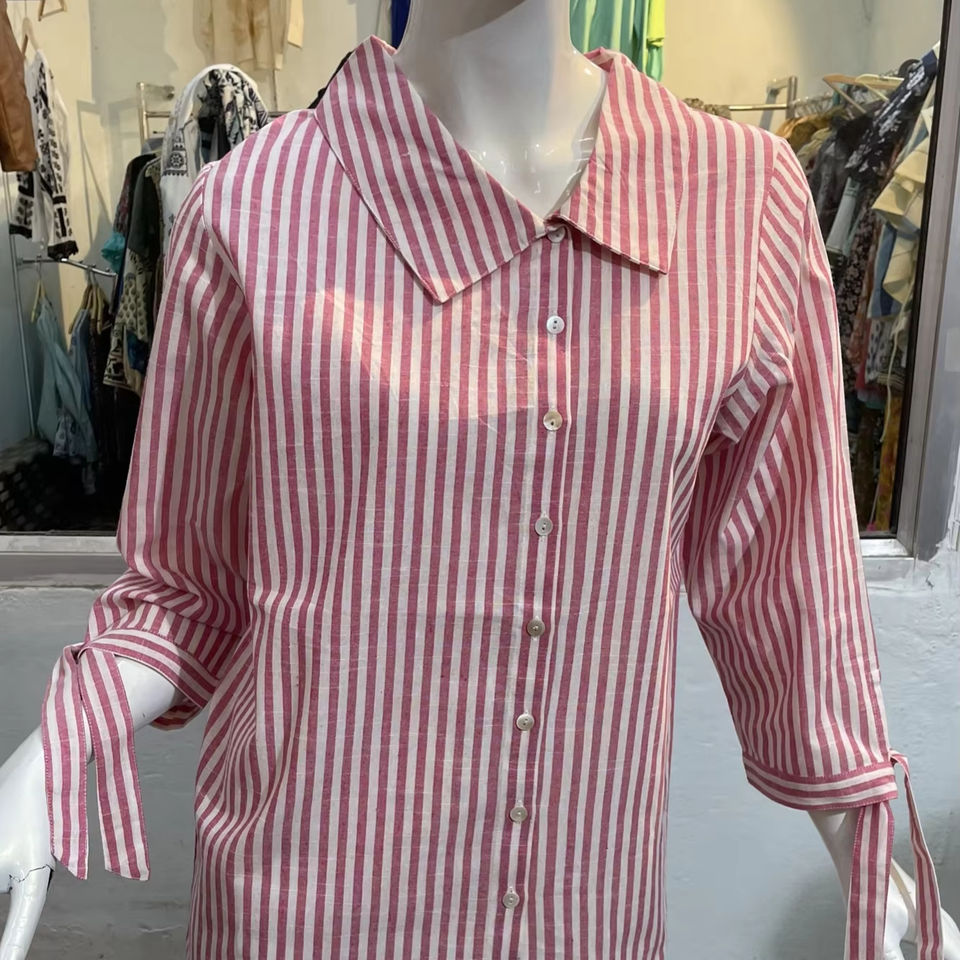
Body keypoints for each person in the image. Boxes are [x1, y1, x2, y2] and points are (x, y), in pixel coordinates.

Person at [1, 1, 957, 957]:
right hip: (304, 910)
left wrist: (866, 849)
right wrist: (52, 751)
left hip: (577, 913)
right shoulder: (253, 205)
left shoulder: (740, 205)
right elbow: (183, 590)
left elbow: (783, 583)